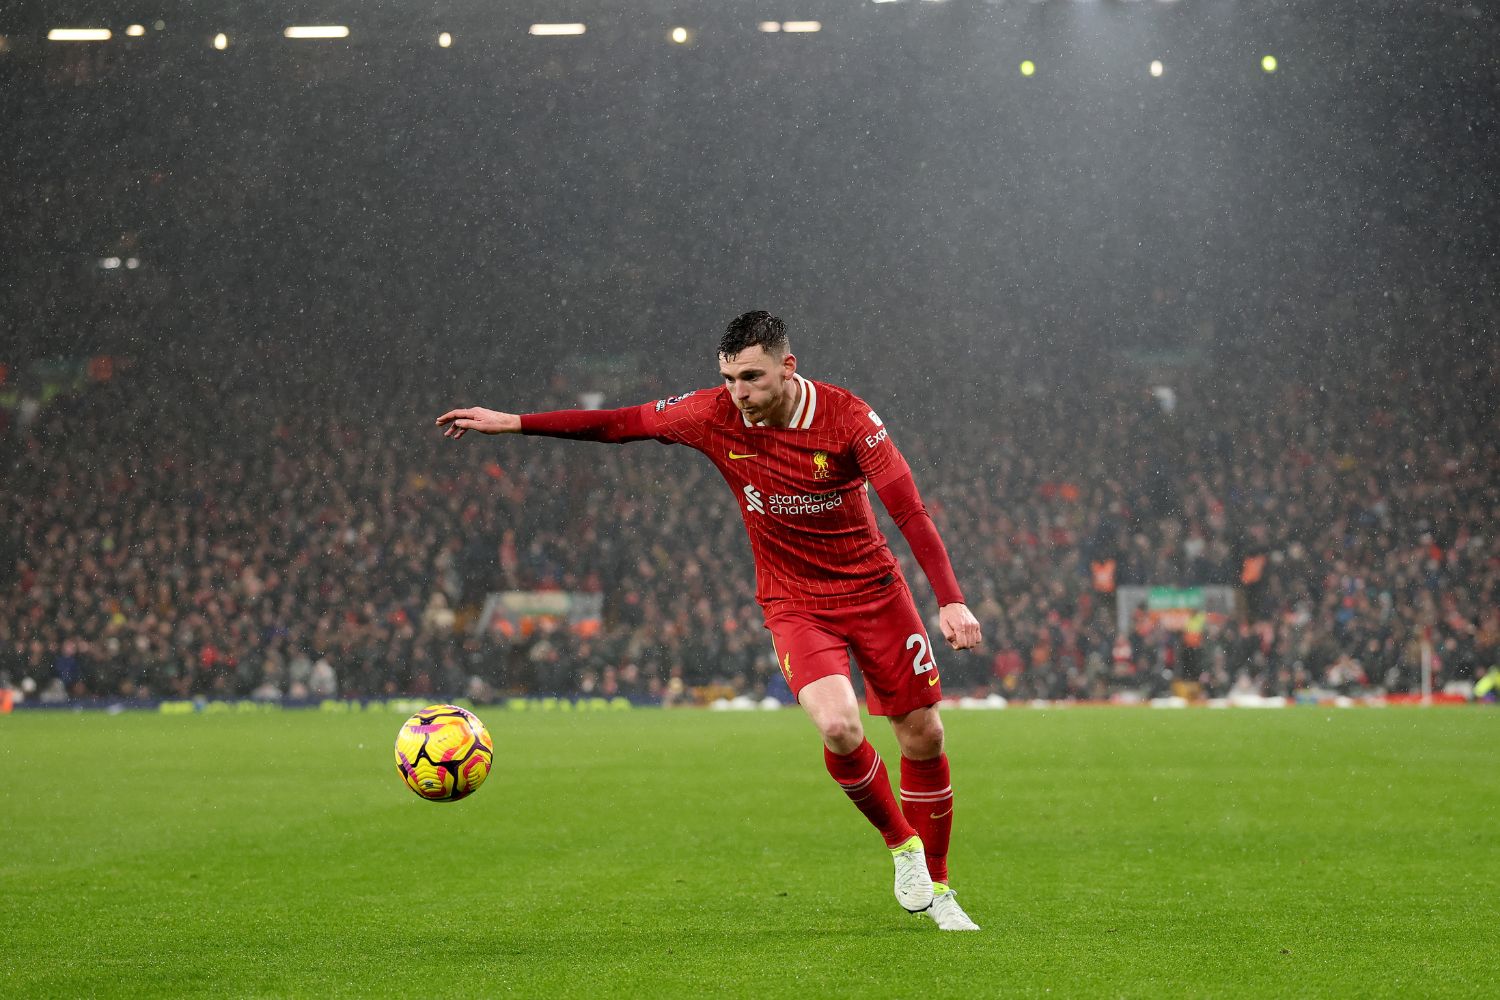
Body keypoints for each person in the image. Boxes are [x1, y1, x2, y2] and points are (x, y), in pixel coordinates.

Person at [437, 311, 984, 931]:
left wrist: (950, 599)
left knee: (925, 737)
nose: (739, 395)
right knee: (837, 724)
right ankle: (903, 847)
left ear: (788, 367)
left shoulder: (849, 419)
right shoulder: (712, 414)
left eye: (751, 378)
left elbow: (909, 512)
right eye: (728, 379)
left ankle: (942, 890)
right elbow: (620, 424)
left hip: (876, 592)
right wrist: (515, 423)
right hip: (794, 600)